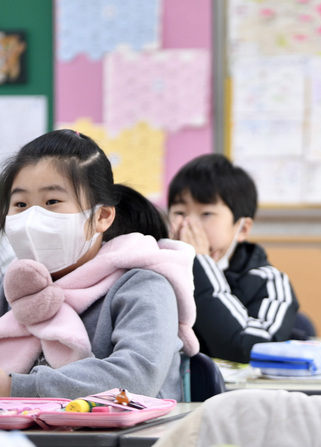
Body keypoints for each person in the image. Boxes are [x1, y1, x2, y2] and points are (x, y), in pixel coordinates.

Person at [0, 129, 198, 399]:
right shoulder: (13, 287)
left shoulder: (143, 285)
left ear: (102, 216)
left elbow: (135, 379)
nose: (33, 218)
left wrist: (14, 387)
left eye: (52, 202)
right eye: (20, 204)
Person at [167, 154, 299, 364]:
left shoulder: (269, 280)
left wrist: (201, 265)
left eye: (207, 213)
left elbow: (251, 347)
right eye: (180, 212)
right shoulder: (155, 272)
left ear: (242, 228)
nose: (189, 225)